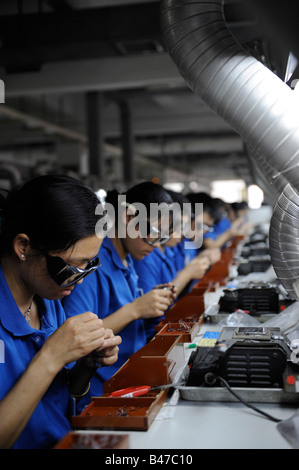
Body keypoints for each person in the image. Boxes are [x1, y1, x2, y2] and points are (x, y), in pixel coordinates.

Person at [0, 175, 121, 449]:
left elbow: (56, 398)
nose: (80, 281)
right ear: (24, 248)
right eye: (73, 267)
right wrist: (52, 356)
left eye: (90, 265)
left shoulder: (47, 297)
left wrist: (86, 364)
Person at [63, 181, 175, 399]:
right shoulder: (93, 264)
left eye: (162, 238)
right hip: (98, 393)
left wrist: (152, 308)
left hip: (128, 380)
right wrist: (135, 310)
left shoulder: (127, 259)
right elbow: (73, 338)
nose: (155, 245)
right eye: (153, 234)